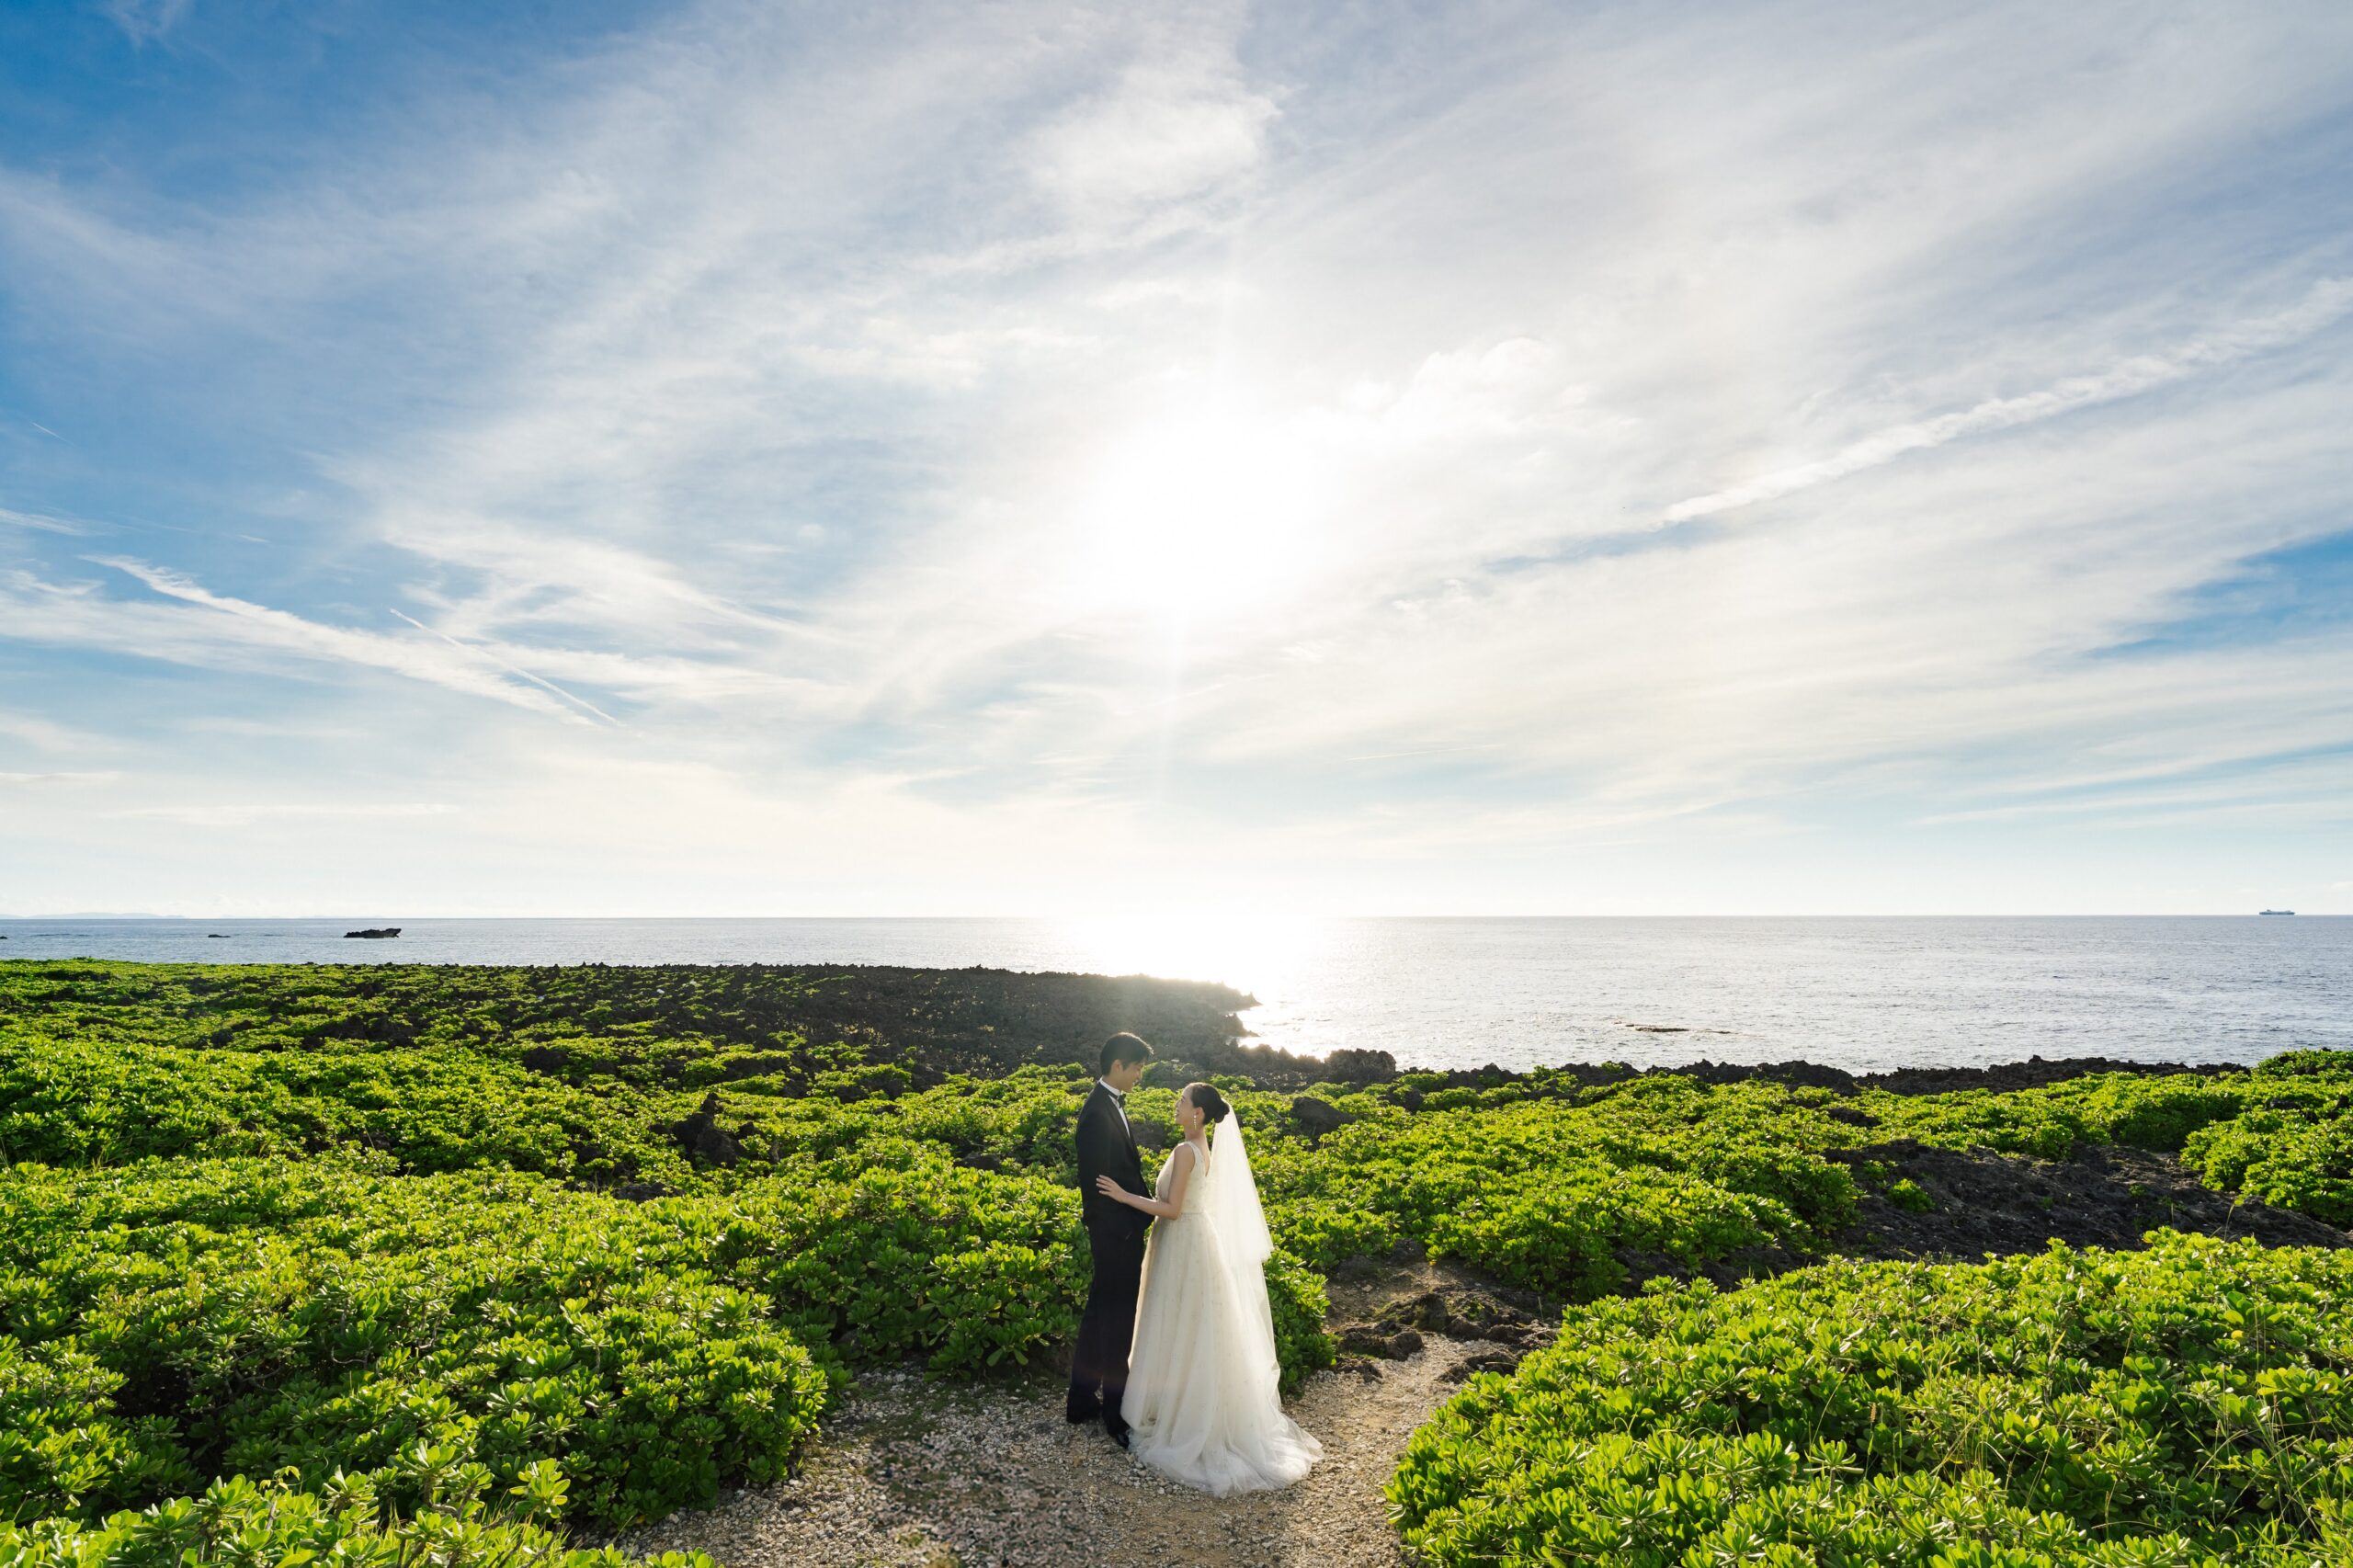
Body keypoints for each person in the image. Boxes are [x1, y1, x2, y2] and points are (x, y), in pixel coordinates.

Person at [1093, 1081, 1324, 1494]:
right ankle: (1181, 1405)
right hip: (1196, 1242)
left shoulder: (1186, 1151)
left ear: (1198, 1113)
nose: (1176, 1103)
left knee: (1178, 1321)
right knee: (1193, 1326)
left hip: (1183, 1242)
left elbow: (1173, 1210)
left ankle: (1178, 1414)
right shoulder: (1200, 1148)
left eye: (1181, 1100)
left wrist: (1124, 1196)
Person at [1068, 1031, 1154, 1445]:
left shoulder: (1109, 1105)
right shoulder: (1096, 1114)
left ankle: (1079, 1400)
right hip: (1115, 1237)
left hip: (1118, 1234)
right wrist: (1124, 1229)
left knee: (1097, 1318)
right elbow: (1096, 1187)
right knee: (1117, 1325)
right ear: (1117, 1066)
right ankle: (1115, 1416)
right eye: (1137, 1066)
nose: (1140, 1074)